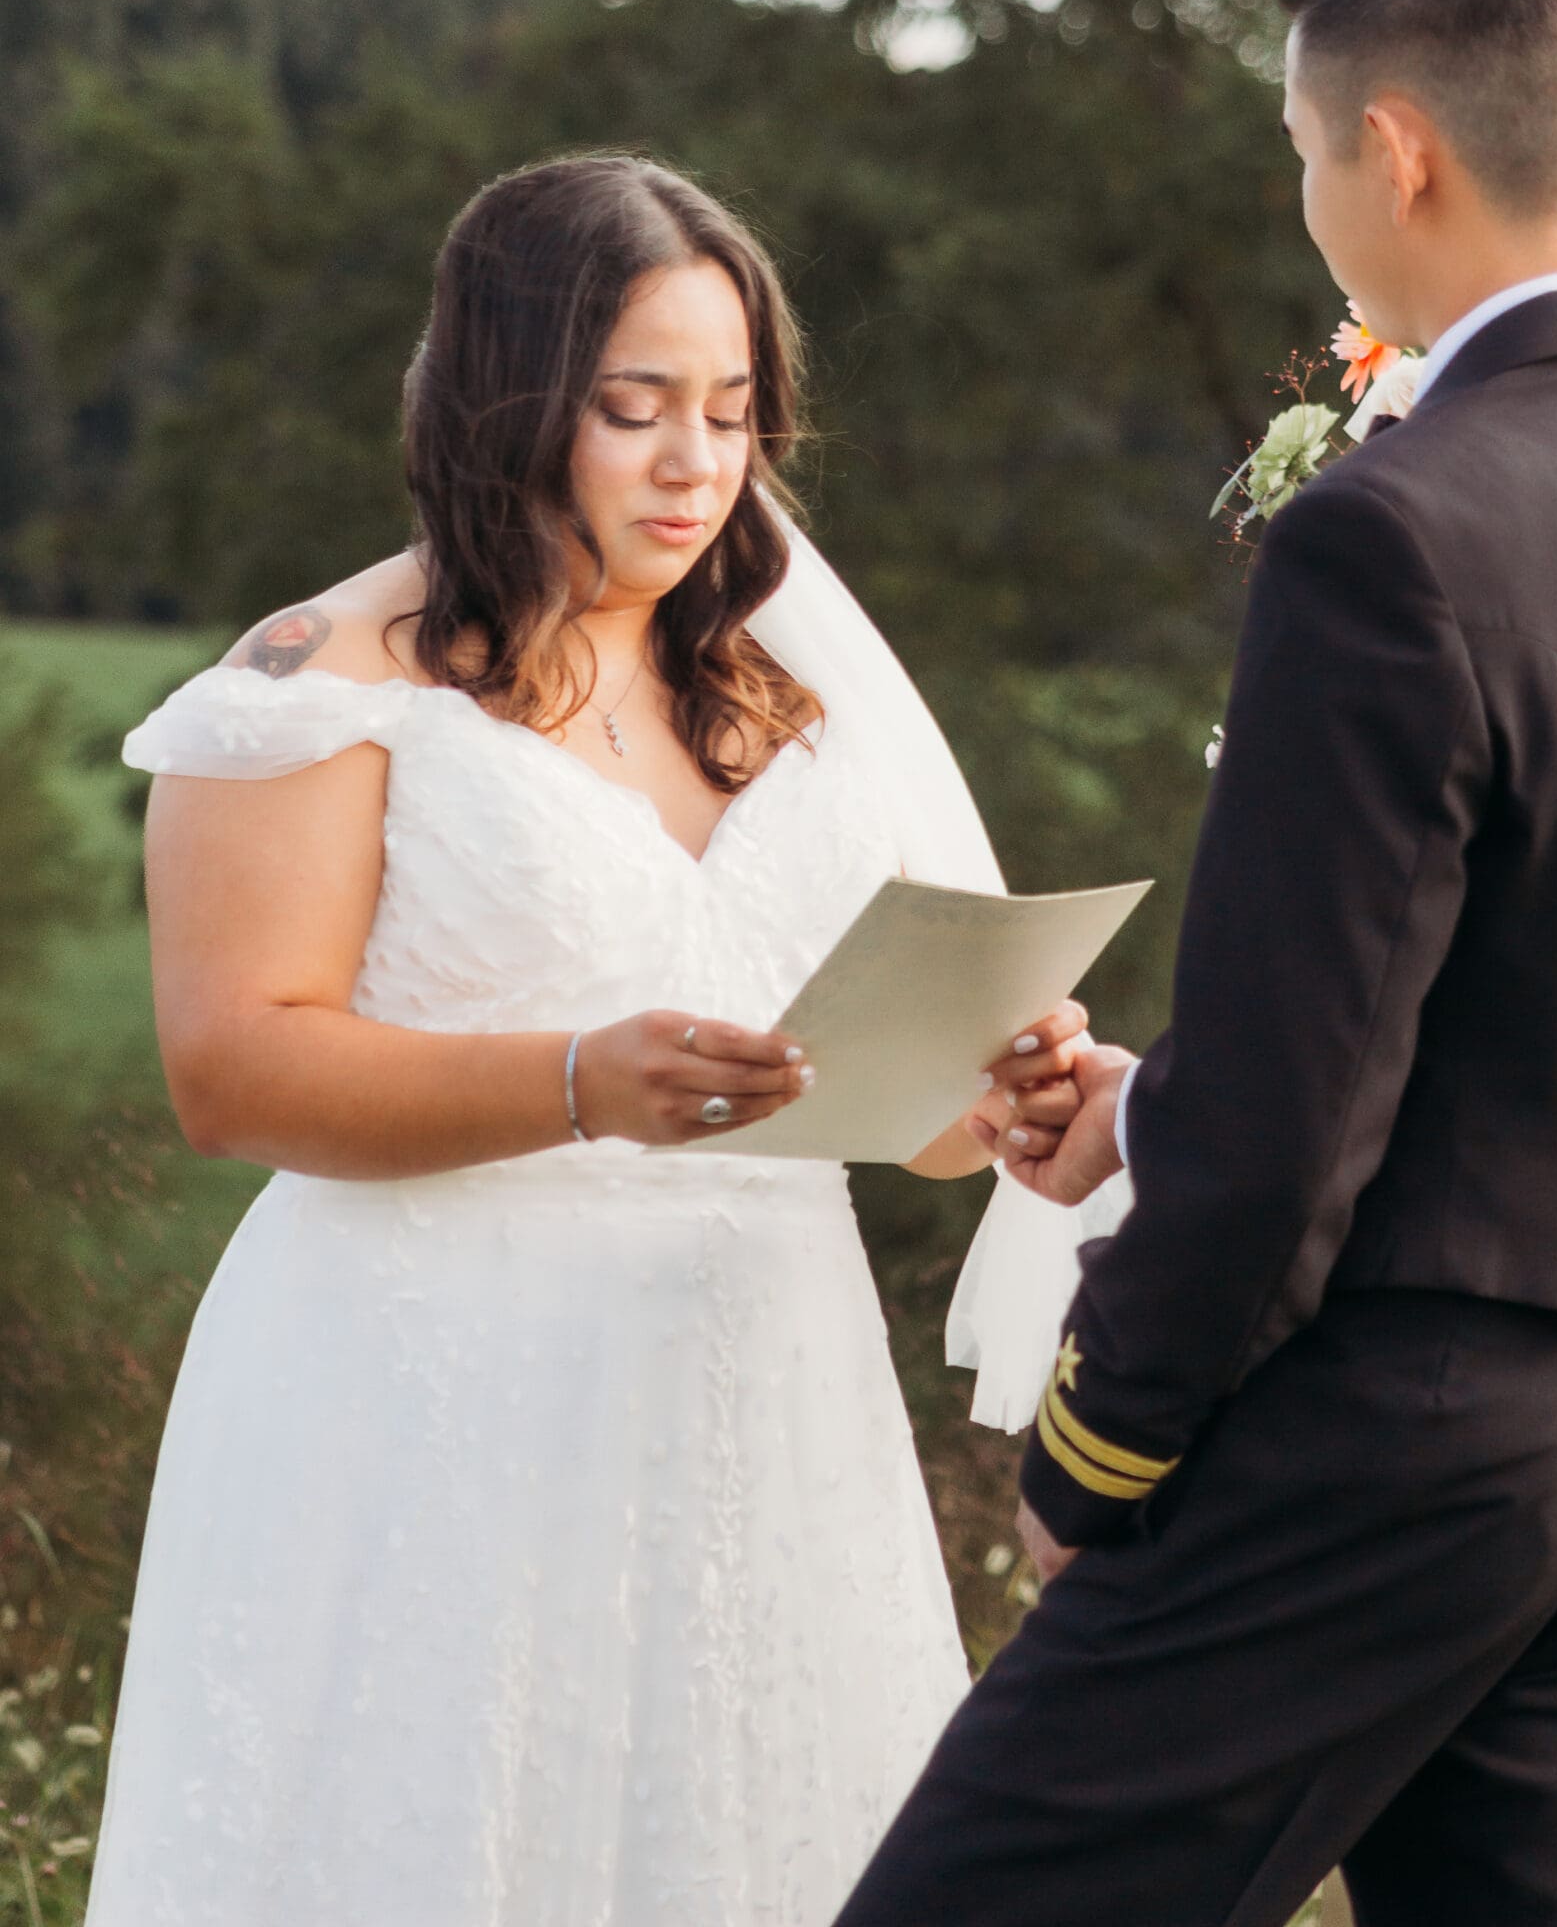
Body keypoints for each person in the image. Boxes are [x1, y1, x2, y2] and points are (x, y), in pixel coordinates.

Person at [834, 0, 1557, 1927]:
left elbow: (1293, 1107)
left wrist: (1098, 1445)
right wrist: (1144, 1101)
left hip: (1393, 1442)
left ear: (1390, 150)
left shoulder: (1387, 533)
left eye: (1305, 151)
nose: (1308, 195)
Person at [85, 153, 1095, 1927]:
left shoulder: (786, 701)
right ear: (507, 395)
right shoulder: (319, 684)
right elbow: (232, 1066)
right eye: (635, 411)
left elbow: (896, 1113)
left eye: (731, 414)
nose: (697, 465)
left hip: (766, 1386)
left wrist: (990, 1092)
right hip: (433, 1399)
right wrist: (573, 1083)